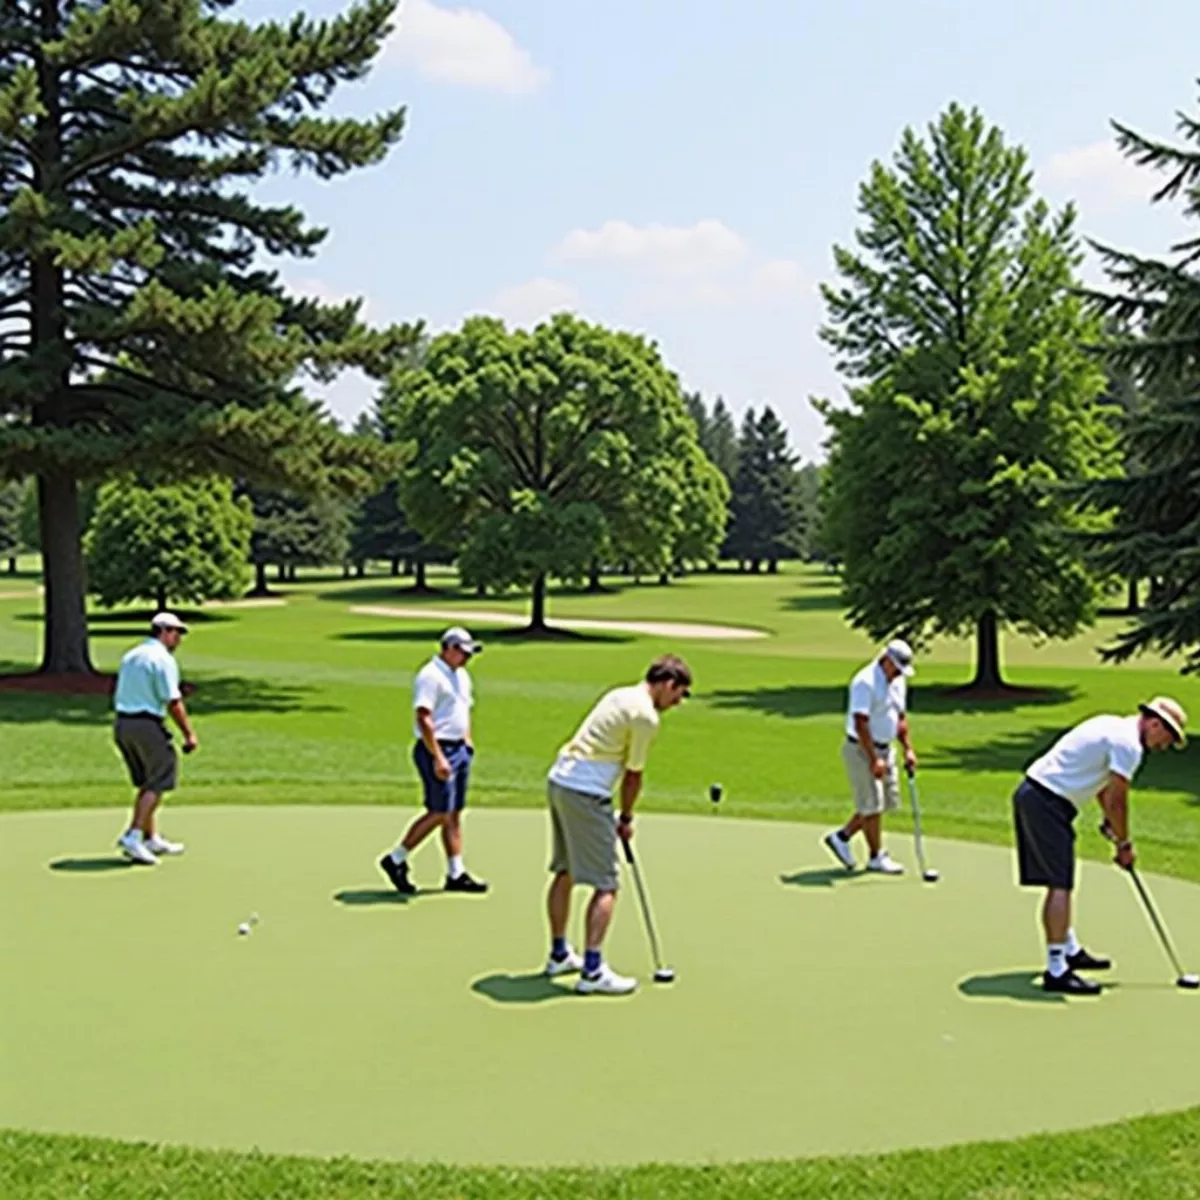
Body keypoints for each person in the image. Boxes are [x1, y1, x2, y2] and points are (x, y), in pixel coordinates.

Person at [1012, 696, 1187, 995]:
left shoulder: (1111, 723)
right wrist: (1124, 845)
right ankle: (1057, 969)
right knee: (1060, 883)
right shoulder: (1128, 745)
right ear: (1155, 723)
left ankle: (1070, 949)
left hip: (1039, 795)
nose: (1164, 746)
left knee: (1061, 878)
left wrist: (1112, 826)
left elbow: (1103, 788)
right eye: (1167, 738)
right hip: (1046, 801)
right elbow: (1118, 801)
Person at [543, 655, 693, 995]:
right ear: (668, 684)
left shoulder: (620, 694)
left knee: (565, 872)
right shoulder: (645, 716)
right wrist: (625, 818)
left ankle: (559, 954)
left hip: (560, 781)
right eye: (679, 694)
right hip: (585, 790)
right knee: (606, 884)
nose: (677, 702)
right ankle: (593, 972)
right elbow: (633, 775)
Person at [379, 627, 488, 895]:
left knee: (453, 813)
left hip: (459, 748)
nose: (466, 658)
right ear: (448, 649)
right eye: (463, 653)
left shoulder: (461, 675)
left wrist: (468, 740)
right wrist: (438, 756)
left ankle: (456, 873)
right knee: (438, 811)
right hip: (435, 750)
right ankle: (396, 859)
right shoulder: (430, 675)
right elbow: (424, 717)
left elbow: (463, 709)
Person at [824, 639, 918, 875]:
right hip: (861, 749)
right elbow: (861, 722)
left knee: (885, 801)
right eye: (896, 668)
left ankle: (842, 836)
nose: (898, 674)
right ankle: (876, 856)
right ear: (886, 659)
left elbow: (901, 717)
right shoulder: (865, 682)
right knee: (872, 805)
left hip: (887, 748)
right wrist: (874, 758)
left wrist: (907, 748)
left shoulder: (898, 682)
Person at [113, 612, 198, 865]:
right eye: (176, 633)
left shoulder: (132, 655)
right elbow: (172, 700)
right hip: (146, 724)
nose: (178, 639)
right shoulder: (162, 659)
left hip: (123, 724)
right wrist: (188, 733)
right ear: (163, 631)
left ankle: (151, 838)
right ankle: (134, 835)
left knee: (147, 782)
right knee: (159, 781)